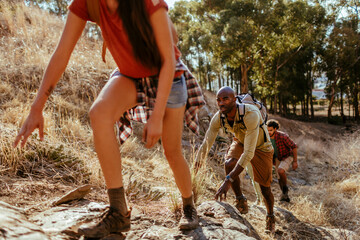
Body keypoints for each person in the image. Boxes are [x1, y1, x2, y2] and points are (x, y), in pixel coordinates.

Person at [13, 0, 205, 238]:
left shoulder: (150, 3)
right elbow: (62, 53)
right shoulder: (87, 3)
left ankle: (189, 206)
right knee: (99, 113)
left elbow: (168, 60)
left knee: (172, 151)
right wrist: (36, 107)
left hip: (167, 76)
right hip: (130, 76)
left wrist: (156, 116)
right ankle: (118, 212)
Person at [195, 86, 275, 233]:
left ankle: (270, 216)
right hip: (240, 141)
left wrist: (227, 181)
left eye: (225, 99)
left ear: (234, 99)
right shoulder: (218, 117)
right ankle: (240, 199)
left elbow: (249, 153)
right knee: (229, 163)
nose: (221, 103)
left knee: (265, 189)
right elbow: (206, 143)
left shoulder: (251, 114)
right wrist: (196, 166)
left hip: (262, 147)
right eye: (218, 100)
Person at [267, 119, 298, 202]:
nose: (269, 132)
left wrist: (295, 161)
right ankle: (284, 195)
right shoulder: (266, 137)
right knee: (279, 177)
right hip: (277, 157)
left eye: (271, 130)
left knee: (281, 170)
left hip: (287, 156)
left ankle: (285, 190)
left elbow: (294, 146)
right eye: (267, 130)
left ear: (275, 129)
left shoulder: (282, 136)